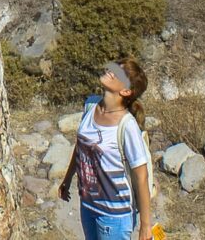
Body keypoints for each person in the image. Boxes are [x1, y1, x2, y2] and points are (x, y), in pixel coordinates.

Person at [59, 59, 154, 240]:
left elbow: (141, 176)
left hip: (115, 216)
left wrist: (145, 226)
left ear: (126, 91)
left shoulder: (127, 126)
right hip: (88, 205)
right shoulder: (91, 105)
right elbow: (81, 148)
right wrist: (67, 178)